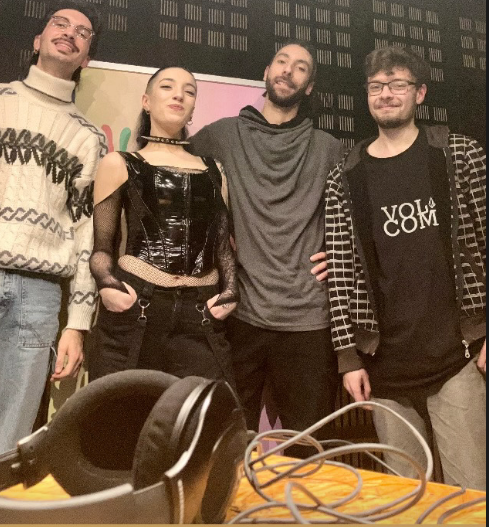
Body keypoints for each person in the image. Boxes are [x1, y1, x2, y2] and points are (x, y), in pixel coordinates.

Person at [326, 46, 486, 490]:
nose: (386, 94)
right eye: (376, 86)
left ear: (420, 93)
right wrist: (348, 357)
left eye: (397, 84)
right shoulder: (345, 176)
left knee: (472, 496)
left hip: (457, 357)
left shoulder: (457, 154)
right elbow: (340, 271)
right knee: (406, 499)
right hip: (385, 367)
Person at [190, 42, 344, 450]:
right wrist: (216, 242)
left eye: (300, 67)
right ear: (266, 71)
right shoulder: (222, 135)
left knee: (307, 453)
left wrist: (342, 258)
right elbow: (171, 180)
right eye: (281, 61)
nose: (288, 70)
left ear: (309, 87)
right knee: (225, 447)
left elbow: (356, 221)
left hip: (309, 321)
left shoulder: (328, 148)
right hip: (241, 316)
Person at [88, 66, 238, 386]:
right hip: (137, 304)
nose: (178, 95)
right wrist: (106, 283)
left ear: (193, 108)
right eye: (167, 87)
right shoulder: (119, 162)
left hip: (200, 312)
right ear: (146, 101)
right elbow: (102, 245)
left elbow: (223, 248)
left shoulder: (216, 170)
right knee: (122, 407)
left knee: (207, 410)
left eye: (189, 91)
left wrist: (230, 291)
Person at [0, 1, 106, 454]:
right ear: (38, 39)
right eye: (59, 24)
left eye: (82, 31)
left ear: (87, 57)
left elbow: (86, 236)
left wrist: (77, 324)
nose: (70, 32)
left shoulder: (89, 138)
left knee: (11, 438)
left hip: (40, 294)